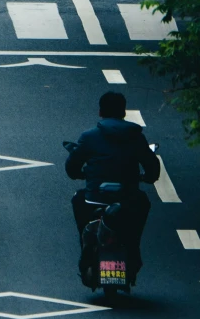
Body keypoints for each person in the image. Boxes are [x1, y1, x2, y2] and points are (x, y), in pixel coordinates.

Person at [65, 88, 159, 281]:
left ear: (101, 112)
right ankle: (133, 247)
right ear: (124, 112)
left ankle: (87, 243)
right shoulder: (136, 136)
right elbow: (152, 166)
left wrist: (78, 174)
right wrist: (148, 177)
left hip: (95, 198)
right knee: (142, 203)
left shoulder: (89, 136)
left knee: (78, 200)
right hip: (129, 199)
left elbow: (72, 165)